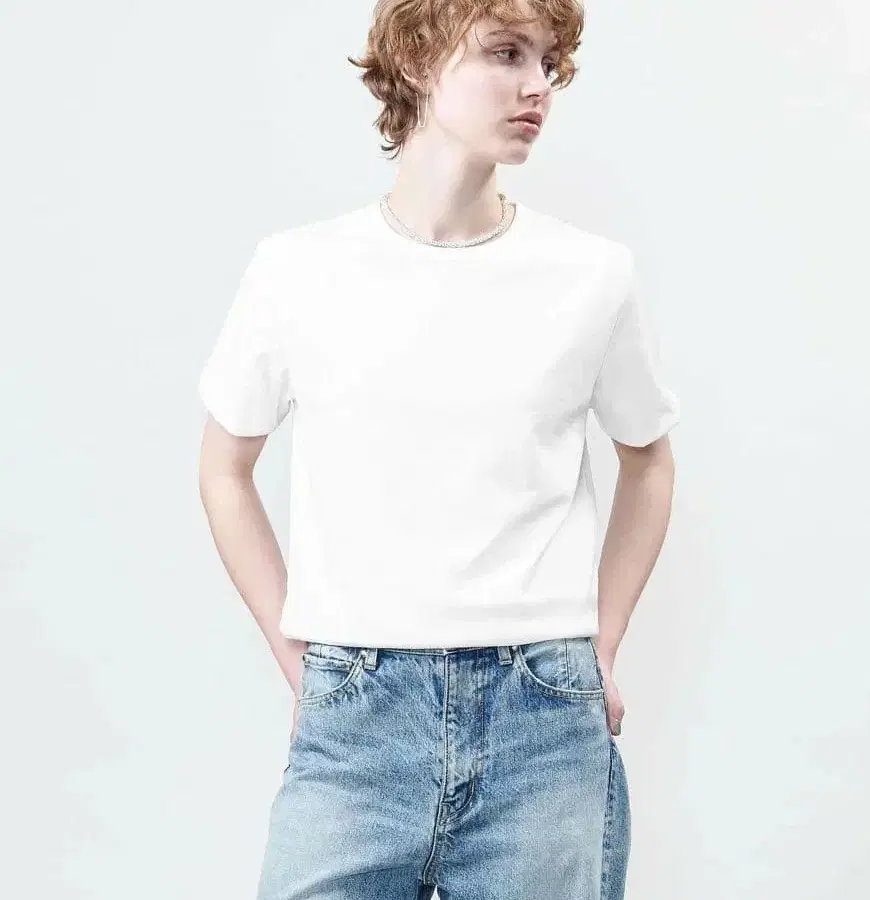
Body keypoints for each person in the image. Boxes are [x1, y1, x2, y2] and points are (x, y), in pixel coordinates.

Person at [197, 1, 680, 897]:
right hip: (355, 715)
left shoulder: (590, 275)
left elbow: (648, 459)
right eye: (506, 53)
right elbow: (225, 467)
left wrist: (601, 648)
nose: (537, 85)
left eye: (547, 62)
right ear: (419, 60)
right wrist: (298, 660)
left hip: (543, 715)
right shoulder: (299, 270)